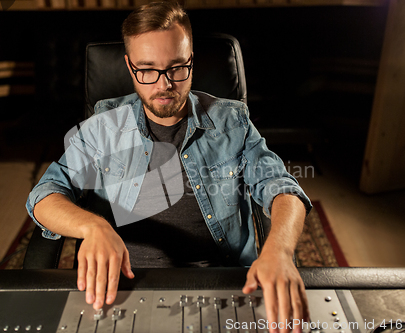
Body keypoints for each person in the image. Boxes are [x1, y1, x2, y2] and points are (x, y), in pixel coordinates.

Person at [26, 2, 312, 332]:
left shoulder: (232, 121)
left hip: (222, 285)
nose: (164, 85)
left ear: (191, 61)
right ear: (129, 66)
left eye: (177, 68)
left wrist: (278, 249)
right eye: (147, 69)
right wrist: (94, 227)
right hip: (119, 289)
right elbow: (45, 193)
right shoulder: (101, 128)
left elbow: (282, 187)